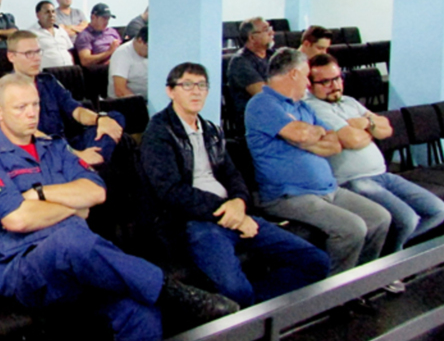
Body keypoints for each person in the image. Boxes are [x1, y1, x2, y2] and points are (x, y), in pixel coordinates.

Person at [0, 74, 238, 341]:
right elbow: (17, 219)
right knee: (71, 240)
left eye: (34, 104)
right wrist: (68, 203)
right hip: (25, 270)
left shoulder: (55, 147)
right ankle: (170, 292)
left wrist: (40, 194)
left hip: (83, 268)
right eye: (21, 107)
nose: (32, 113)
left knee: (140, 313)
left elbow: (94, 195)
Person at [141, 62, 330, 307]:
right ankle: (248, 318)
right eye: (187, 85)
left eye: (201, 85)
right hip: (193, 222)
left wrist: (239, 203)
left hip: (233, 212)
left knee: (316, 261)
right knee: (236, 290)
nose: (196, 91)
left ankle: (255, 314)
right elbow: (171, 192)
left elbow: (233, 176)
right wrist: (230, 211)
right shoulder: (159, 133)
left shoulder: (211, 130)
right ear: (171, 91)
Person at [245, 48, 391, 276]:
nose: (308, 84)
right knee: (353, 228)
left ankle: (357, 282)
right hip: (288, 195)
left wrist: (301, 137)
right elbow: (301, 134)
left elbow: (334, 144)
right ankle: (330, 295)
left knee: (380, 218)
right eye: (305, 76)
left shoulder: (302, 107)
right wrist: (308, 135)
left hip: (328, 189)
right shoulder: (262, 104)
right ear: (293, 74)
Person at [306, 53, 444, 259]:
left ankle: (387, 255)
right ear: (310, 86)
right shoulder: (314, 107)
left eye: (337, 78)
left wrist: (365, 125)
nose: (334, 85)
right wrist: (370, 128)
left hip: (383, 175)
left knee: (437, 211)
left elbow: (386, 129)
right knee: (407, 220)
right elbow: (353, 140)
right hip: (353, 181)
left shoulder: (349, 102)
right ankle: (387, 265)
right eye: (325, 82)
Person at [7, 30, 124, 165]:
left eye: (38, 52)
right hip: (40, 151)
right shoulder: (6, 90)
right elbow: (27, 135)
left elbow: (76, 110)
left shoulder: (48, 81)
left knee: (114, 117)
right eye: (28, 53)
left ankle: (82, 165)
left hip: (65, 143)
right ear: (11, 56)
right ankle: (82, 165)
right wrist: (75, 154)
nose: (37, 58)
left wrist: (100, 119)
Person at [226, 17, 276, 128]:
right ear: (252, 37)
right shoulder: (240, 62)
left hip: (275, 113)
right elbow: (264, 95)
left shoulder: (273, 55)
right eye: (266, 30)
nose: (272, 32)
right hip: (255, 120)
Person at [74, 3, 122, 68]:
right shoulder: (85, 35)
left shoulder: (112, 31)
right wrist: (108, 53)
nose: (106, 22)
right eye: (104, 18)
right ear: (93, 17)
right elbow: (85, 61)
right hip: (101, 70)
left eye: (108, 19)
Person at [29, 1, 74, 69]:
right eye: (47, 12)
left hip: (68, 71)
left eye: (53, 11)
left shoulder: (60, 30)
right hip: (47, 74)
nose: (51, 15)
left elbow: (69, 50)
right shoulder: (32, 34)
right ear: (38, 15)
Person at [108, 25, 149, 99]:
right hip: (126, 103)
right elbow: (120, 91)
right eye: (149, 47)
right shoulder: (122, 54)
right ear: (140, 41)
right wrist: (142, 106)